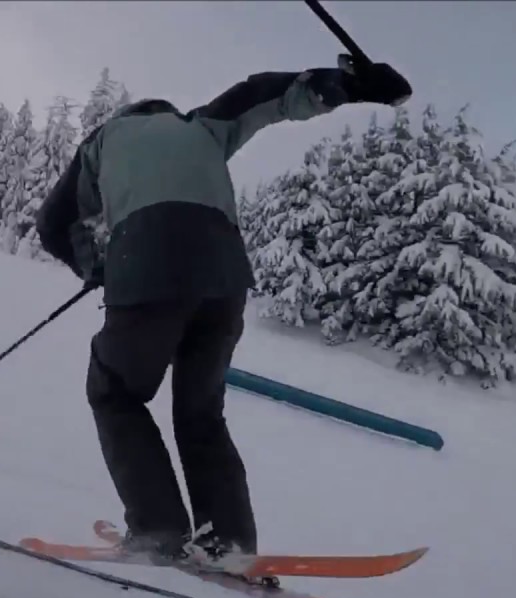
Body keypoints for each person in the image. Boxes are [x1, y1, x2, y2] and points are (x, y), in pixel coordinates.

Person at [34, 57, 411, 564]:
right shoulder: (202, 125)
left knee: (115, 394)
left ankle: (158, 531)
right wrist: (348, 85)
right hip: (225, 278)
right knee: (200, 413)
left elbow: (55, 223)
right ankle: (228, 543)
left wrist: (98, 268)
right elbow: (265, 94)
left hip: (145, 267)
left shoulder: (103, 142)